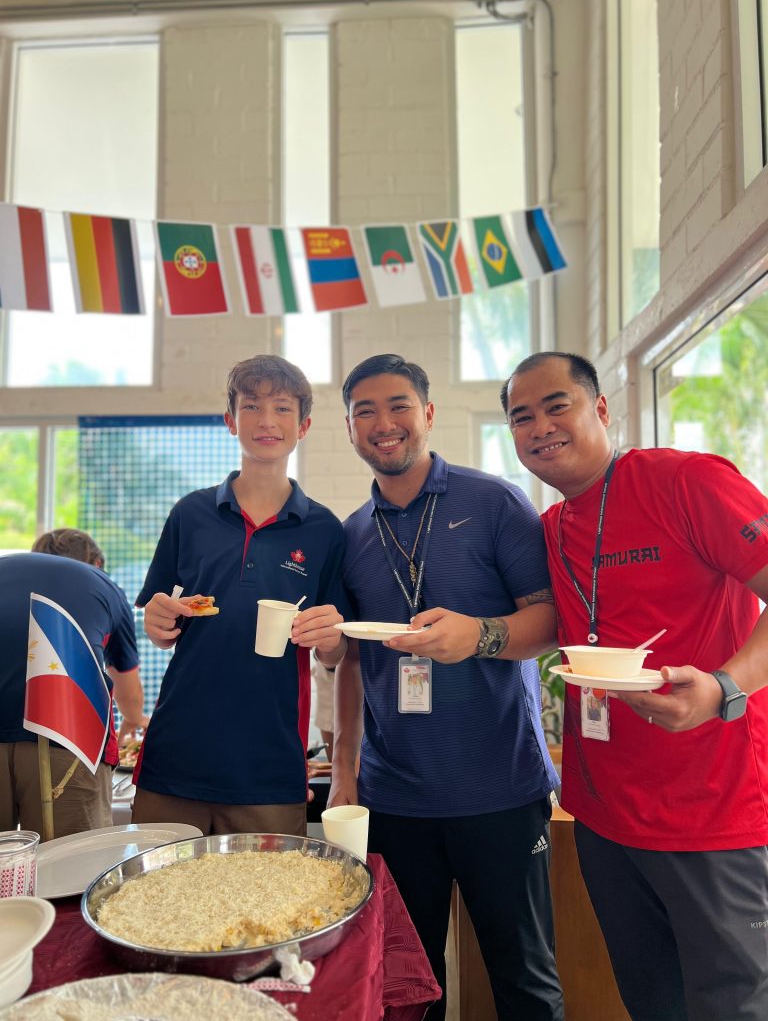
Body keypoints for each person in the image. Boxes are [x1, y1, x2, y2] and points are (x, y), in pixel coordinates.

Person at [503, 351, 768, 1021]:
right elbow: (554, 626)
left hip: (712, 815)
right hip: (605, 819)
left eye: (556, 405)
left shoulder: (685, 482)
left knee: (734, 1005)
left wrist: (721, 688)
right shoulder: (553, 529)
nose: (539, 427)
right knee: (650, 1002)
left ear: (599, 408)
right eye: (521, 416)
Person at [329, 353, 563, 1021]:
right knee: (407, 986)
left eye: (399, 405)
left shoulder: (492, 503)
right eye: (365, 411)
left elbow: (547, 621)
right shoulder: (350, 535)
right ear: (349, 430)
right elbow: (350, 659)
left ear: (427, 415)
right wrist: (344, 770)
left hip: (501, 790)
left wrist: (479, 636)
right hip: (396, 800)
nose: (384, 423)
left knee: (525, 983)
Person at [134, 355, 348, 837]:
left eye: (282, 408)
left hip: (269, 769)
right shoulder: (190, 514)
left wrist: (331, 635)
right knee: (161, 905)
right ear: (230, 421)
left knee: (267, 909)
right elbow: (160, 626)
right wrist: (159, 621)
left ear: (304, 425)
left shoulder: (324, 531)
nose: (266, 420)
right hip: (176, 758)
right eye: (251, 406)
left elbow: (336, 652)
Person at [0, 530, 147, 837]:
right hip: (65, 738)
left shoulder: (6, 567)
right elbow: (128, 686)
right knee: (69, 864)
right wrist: (133, 720)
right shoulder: (102, 583)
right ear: (97, 561)